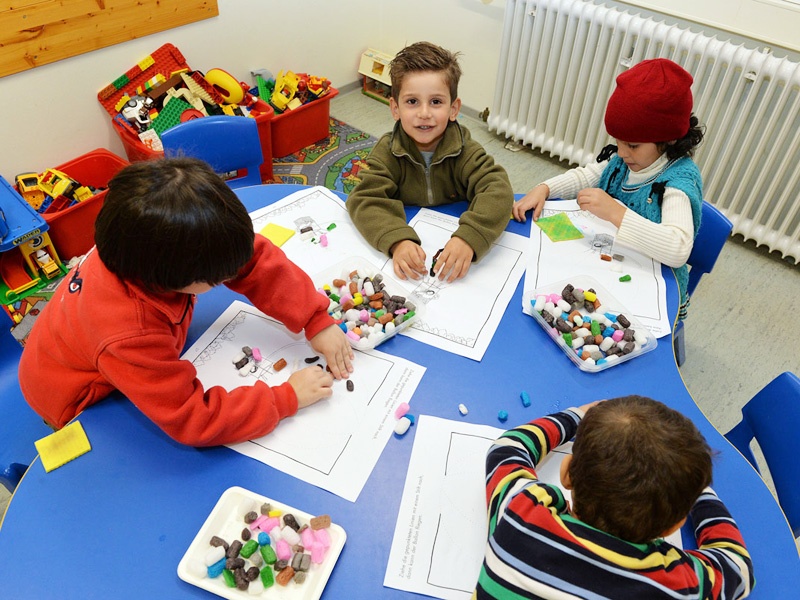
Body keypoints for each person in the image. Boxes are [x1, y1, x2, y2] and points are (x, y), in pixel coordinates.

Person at [19, 158, 354, 446]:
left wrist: (314, 318)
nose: (229, 277)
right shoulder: (129, 334)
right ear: (170, 280)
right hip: (78, 396)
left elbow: (252, 259)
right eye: (217, 279)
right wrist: (286, 398)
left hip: (78, 344)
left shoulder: (144, 243)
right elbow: (193, 419)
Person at [474, 395, 754, 599]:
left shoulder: (521, 515)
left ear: (566, 472)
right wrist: (698, 489)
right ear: (673, 526)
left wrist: (577, 417)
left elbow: (507, 449)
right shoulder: (677, 586)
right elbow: (738, 567)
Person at [512, 58, 705, 319]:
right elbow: (589, 174)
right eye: (618, 142)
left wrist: (616, 212)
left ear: (669, 138)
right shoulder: (625, 159)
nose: (622, 153)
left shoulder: (678, 181)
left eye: (633, 145)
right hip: (612, 266)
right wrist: (545, 187)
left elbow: (678, 249)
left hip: (655, 289)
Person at [347, 41, 514, 283]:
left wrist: (469, 237)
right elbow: (364, 199)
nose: (424, 113)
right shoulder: (387, 150)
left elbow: (498, 189)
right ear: (395, 108)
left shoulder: (465, 149)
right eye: (412, 102)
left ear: (453, 109)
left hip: (453, 229)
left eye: (436, 102)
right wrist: (397, 239)